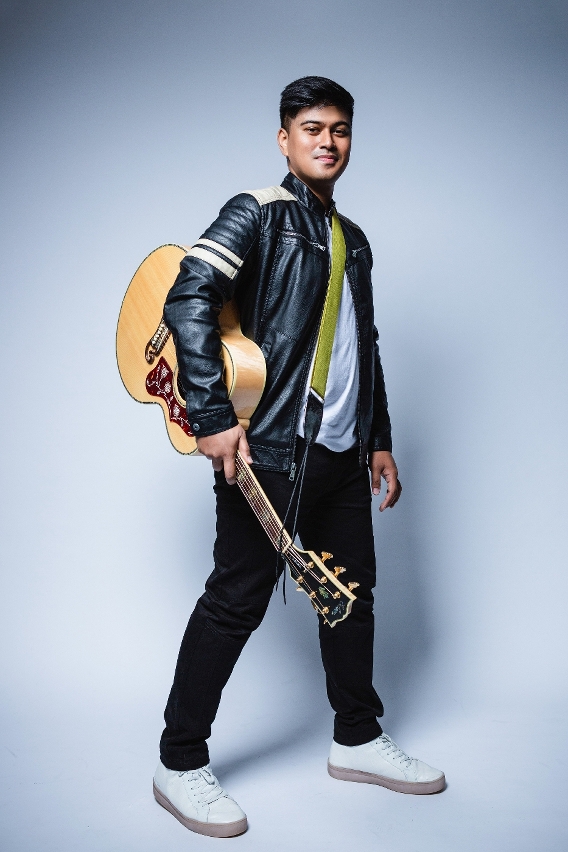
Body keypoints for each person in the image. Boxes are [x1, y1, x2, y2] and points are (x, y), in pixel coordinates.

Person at [153, 76, 445, 838]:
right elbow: (187, 297)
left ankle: (357, 737)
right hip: (271, 449)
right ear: (284, 139)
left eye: (340, 129)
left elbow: (361, 346)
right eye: (312, 127)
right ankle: (178, 761)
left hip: (342, 451)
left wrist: (378, 437)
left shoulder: (355, 239)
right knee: (236, 600)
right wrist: (213, 416)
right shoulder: (258, 212)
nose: (328, 140)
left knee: (351, 596)